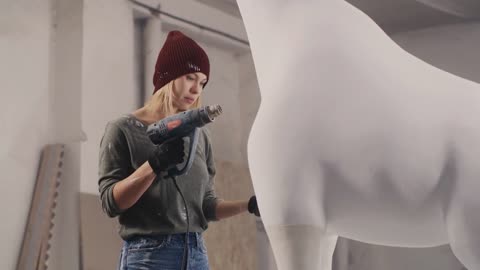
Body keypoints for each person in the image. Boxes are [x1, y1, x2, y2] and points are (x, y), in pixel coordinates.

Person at [98, 30, 260, 270]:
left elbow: (206, 206)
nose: (196, 89)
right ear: (167, 76)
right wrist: (154, 165)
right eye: (190, 77)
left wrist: (247, 205)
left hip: (196, 254)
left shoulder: (200, 134)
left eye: (202, 82)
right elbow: (111, 202)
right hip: (149, 256)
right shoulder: (122, 130)